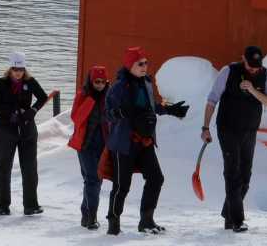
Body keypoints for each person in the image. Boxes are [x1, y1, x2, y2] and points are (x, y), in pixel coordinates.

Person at [104, 46, 189, 235]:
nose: (144, 67)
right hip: (124, 144)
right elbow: (107, 114)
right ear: (129, 65)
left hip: (145, 142)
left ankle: (147, 220)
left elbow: (150, 108)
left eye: (146, 63)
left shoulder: (147, 83)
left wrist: (171, 110)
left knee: (156, 178)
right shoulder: (119, 87)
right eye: (140, 64)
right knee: (121, 186)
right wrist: (119, 113)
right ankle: (113, 222)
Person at [201, 46, 267, 233]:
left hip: (249, 131)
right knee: (232, 172)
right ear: (243, 59)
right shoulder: (229, 71)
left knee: (245, 176)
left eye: (257, 66)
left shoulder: (264, 75)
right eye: (251, 66)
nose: (254, 70)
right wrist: (205, 127)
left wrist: (253, 90)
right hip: (227, 129)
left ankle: (228, 213)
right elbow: (212, 99)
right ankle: (236, 220)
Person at [0, 51, 50, 216]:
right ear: (10, 69)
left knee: (30, 168)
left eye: (21, 69)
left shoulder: (30, 82)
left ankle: (30, 205)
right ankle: (3, 206)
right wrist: (10, 112)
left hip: (27, 129)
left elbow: (43, 97)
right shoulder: (1, 83)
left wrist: (33, 110)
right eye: (15, 69)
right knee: (4, 168)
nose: (18, 73)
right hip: (6, 130)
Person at [67, 65, 111, 230]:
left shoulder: (110, 96)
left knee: (95, 181)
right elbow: (76, 118)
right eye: (96, 82)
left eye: (102, 82)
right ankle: (91, 217)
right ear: (91, 82)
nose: (99, 85)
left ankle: (86, 214)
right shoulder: (83, 95)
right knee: (92, 179)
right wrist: (91, 99)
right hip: (85, 145)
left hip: (104, 145)